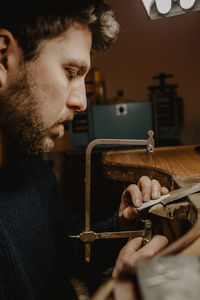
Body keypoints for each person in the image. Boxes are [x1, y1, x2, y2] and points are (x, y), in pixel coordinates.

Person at [0, 1, 169, 299]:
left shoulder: (30, 168)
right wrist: (115, 293)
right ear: (3, 58)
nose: (82, 102)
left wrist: (119, 224)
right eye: (70, 72)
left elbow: (64, 254)